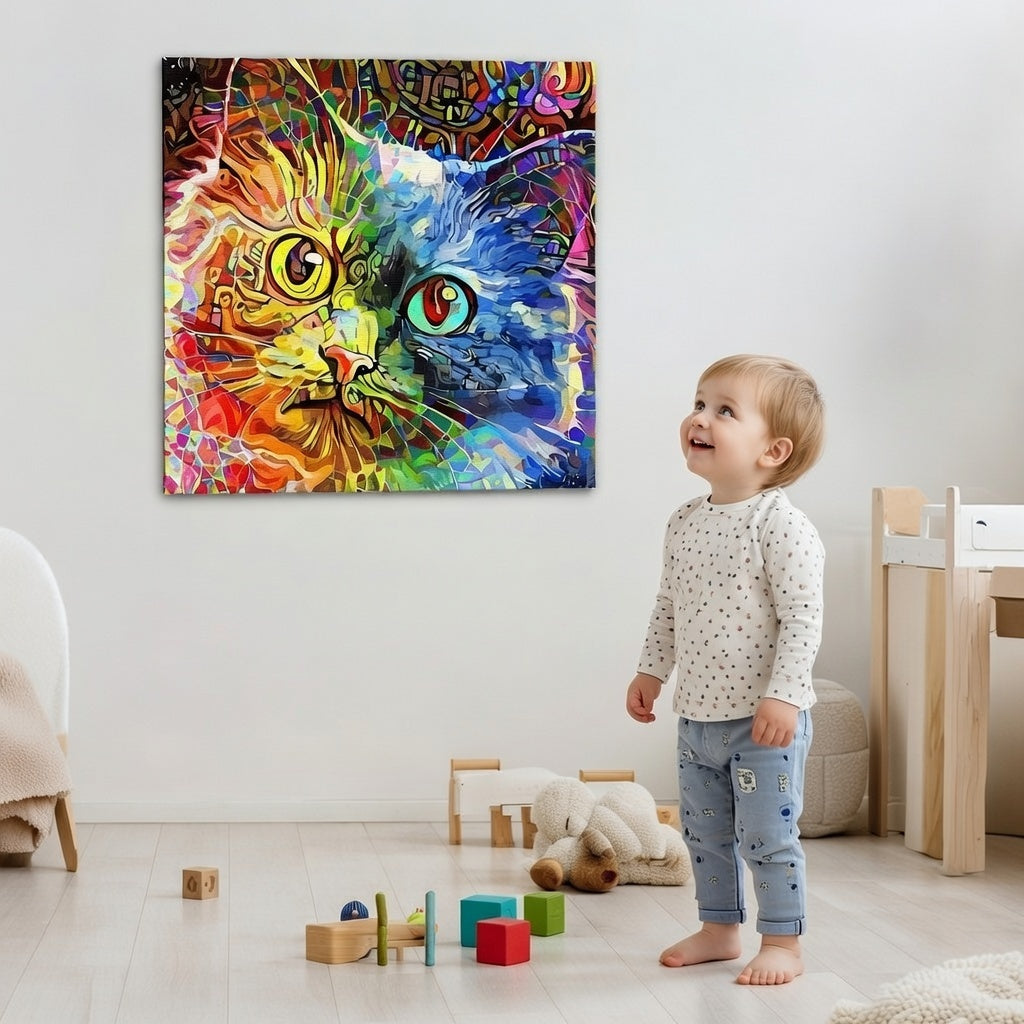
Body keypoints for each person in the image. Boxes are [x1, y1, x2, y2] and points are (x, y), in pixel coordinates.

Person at [626, 353, 825, 986]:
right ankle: (719, 930)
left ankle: (783, 942)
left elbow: (802, 619)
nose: (700, 418)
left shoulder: (782, 527)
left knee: (766, 838)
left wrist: (785, 697)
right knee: (705, 838)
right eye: (700, 402)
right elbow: (669, 606)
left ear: (773, 450)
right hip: (698, 720)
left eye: (725, 410)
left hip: (762, 725)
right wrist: (651, 673)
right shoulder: (685, 521)